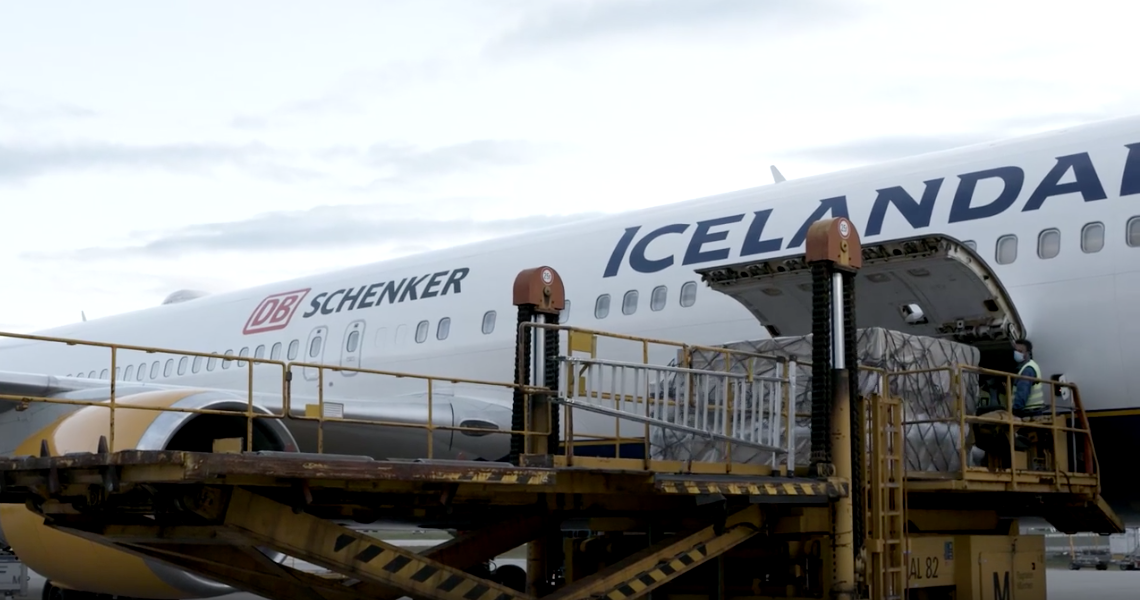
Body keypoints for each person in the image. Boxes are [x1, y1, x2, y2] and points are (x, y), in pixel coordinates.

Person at [1011, 339, 1045, 417]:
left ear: (1027, 353)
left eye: (1020, 351)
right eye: (1016, 351)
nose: (1017, 353)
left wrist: (1015, 410)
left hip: (1029, 413)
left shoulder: (1027, 369)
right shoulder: (1030, 365)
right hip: (1033, 411)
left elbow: (1023, 392)